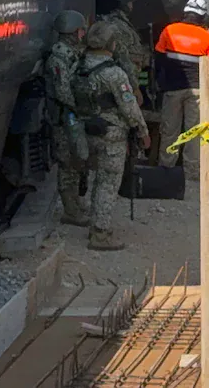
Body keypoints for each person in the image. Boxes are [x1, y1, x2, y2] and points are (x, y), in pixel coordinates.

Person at [72, 21, 151, 251]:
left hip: (85, 131)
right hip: (112, 135)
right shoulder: (114, 74)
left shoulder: (79, 67)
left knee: (98, 178)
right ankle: (100, 234)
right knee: (107, 183)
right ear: (111, 44)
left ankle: (95, 222)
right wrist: (143, 132)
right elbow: (130, 109)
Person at [155, 0, 209, 179]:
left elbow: (158, 59)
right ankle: (191, 173)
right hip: (198, 90)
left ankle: (166, 169)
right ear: (201, 17)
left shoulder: (169, 30)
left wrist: (160, 83)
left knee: (169, 130)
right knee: (194, 130)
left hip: (172, 88)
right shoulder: (207, 36)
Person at [45, 9, 89, 227]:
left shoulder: (70, 53)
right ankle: (70, 210)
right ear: (73, 31)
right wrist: (82, 108)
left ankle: (75, 204)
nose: (83, 34)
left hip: (71, 115)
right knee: (67, 163)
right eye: (81, 30)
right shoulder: (59, 57)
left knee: (77, 161)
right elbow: (63, 92)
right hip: (65, 118)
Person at [103, 0, 149, 103]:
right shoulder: (118, 26)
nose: (132, 6)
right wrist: (135, 87)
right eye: (130, 2)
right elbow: (123, 58)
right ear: (124, 4)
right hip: (125, 80)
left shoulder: (119, 22)